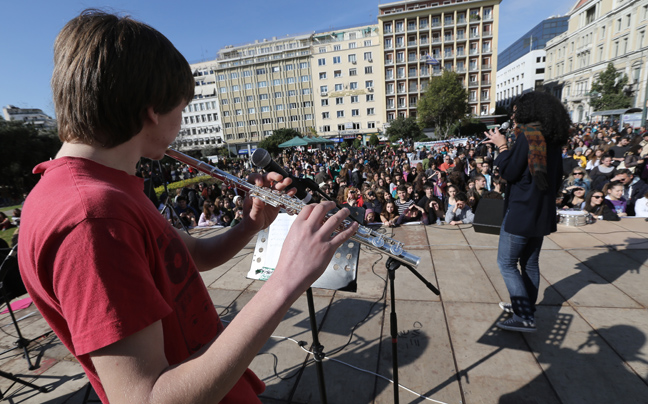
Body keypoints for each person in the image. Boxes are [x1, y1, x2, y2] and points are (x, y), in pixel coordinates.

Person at [17, 10, 358, 404]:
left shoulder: (105, 192)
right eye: (181, 109)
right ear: (152, 110)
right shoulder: (92, 217)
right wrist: (287, 279)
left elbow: (189, 255)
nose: (181, 121)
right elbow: (146, 397)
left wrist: (247, 226)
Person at [483, 91, 570, 333]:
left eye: (516, 111)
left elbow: (510, 172)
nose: (513, 116)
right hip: (542, 211)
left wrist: (502, 147)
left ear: (529, 111)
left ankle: (523, 316)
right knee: (529, 263)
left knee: (506, 263)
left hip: (522, 210)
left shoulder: (528, 136)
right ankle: (526, 307)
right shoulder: (552, 139)